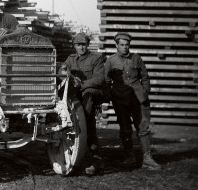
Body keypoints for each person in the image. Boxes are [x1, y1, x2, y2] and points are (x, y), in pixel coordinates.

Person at [104, 32, 161, 170]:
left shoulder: (137, 58)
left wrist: (145, 91)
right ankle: (129, 157)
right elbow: (106, 81)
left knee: (143, 128)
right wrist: (111, 95)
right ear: (116, 45)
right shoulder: (110, 61)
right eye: (122, 45)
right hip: (121, 99)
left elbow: (145, 76)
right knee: (125, 129)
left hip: (138, 98)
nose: (125, 47)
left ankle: (147, 159)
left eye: (127, 45)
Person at [64, 32, 105, 175]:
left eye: (83, 45)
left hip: (91, 95)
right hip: (76, 97)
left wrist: (81, 84)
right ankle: (74, 158)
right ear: (74, 46)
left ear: (87, 45)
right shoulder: (70, 60)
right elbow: (64, 74)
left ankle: (96, 161)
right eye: (78, 45)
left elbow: (99, 79)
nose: (81, 48)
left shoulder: (96, 59)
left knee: (87, 125)